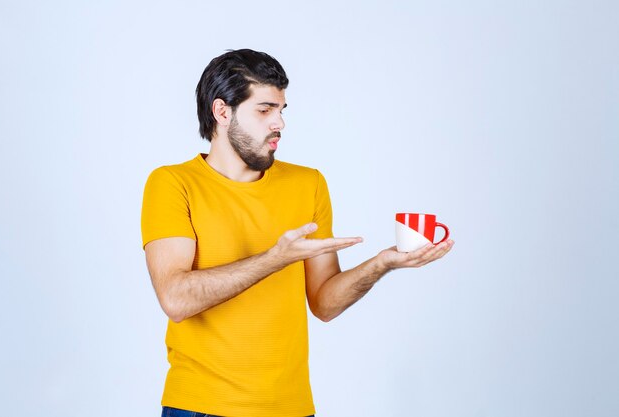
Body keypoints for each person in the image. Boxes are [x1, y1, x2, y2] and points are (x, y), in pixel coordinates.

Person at [141, 49, 454, 417]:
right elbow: (176, 299)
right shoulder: (172, 184)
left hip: (292, 408)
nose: (279, 123)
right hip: (201, 408)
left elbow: (323, 303)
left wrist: (382, 263)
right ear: (222, 112)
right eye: (264, 110)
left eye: (281, 110)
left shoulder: (309, 184)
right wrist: (274, 260)